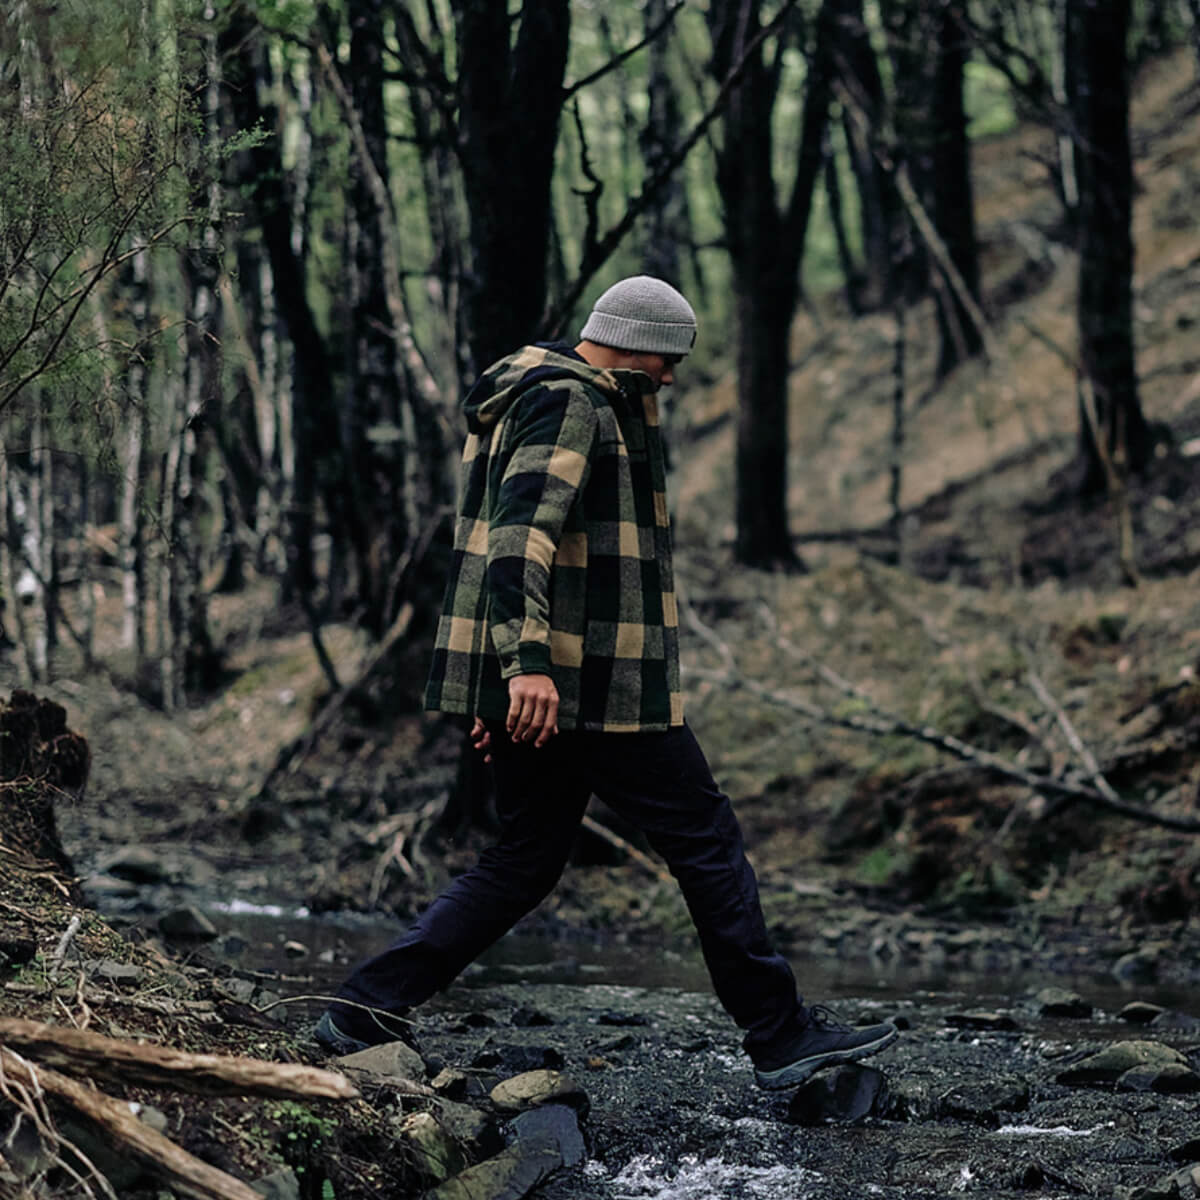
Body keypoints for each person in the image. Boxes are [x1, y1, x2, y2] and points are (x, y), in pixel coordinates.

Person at [315, 276, 898, 1089]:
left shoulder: (553, 395)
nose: (671, 379)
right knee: (705, 838)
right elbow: (517, 541)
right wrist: (525, 671)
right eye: (668, 361)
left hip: (564, 680)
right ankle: (780, 1035)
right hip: (592, 684)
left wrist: (504, 681)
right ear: (635, 341)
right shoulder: (570, 402)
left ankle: (362, 1011)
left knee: (524, 858)